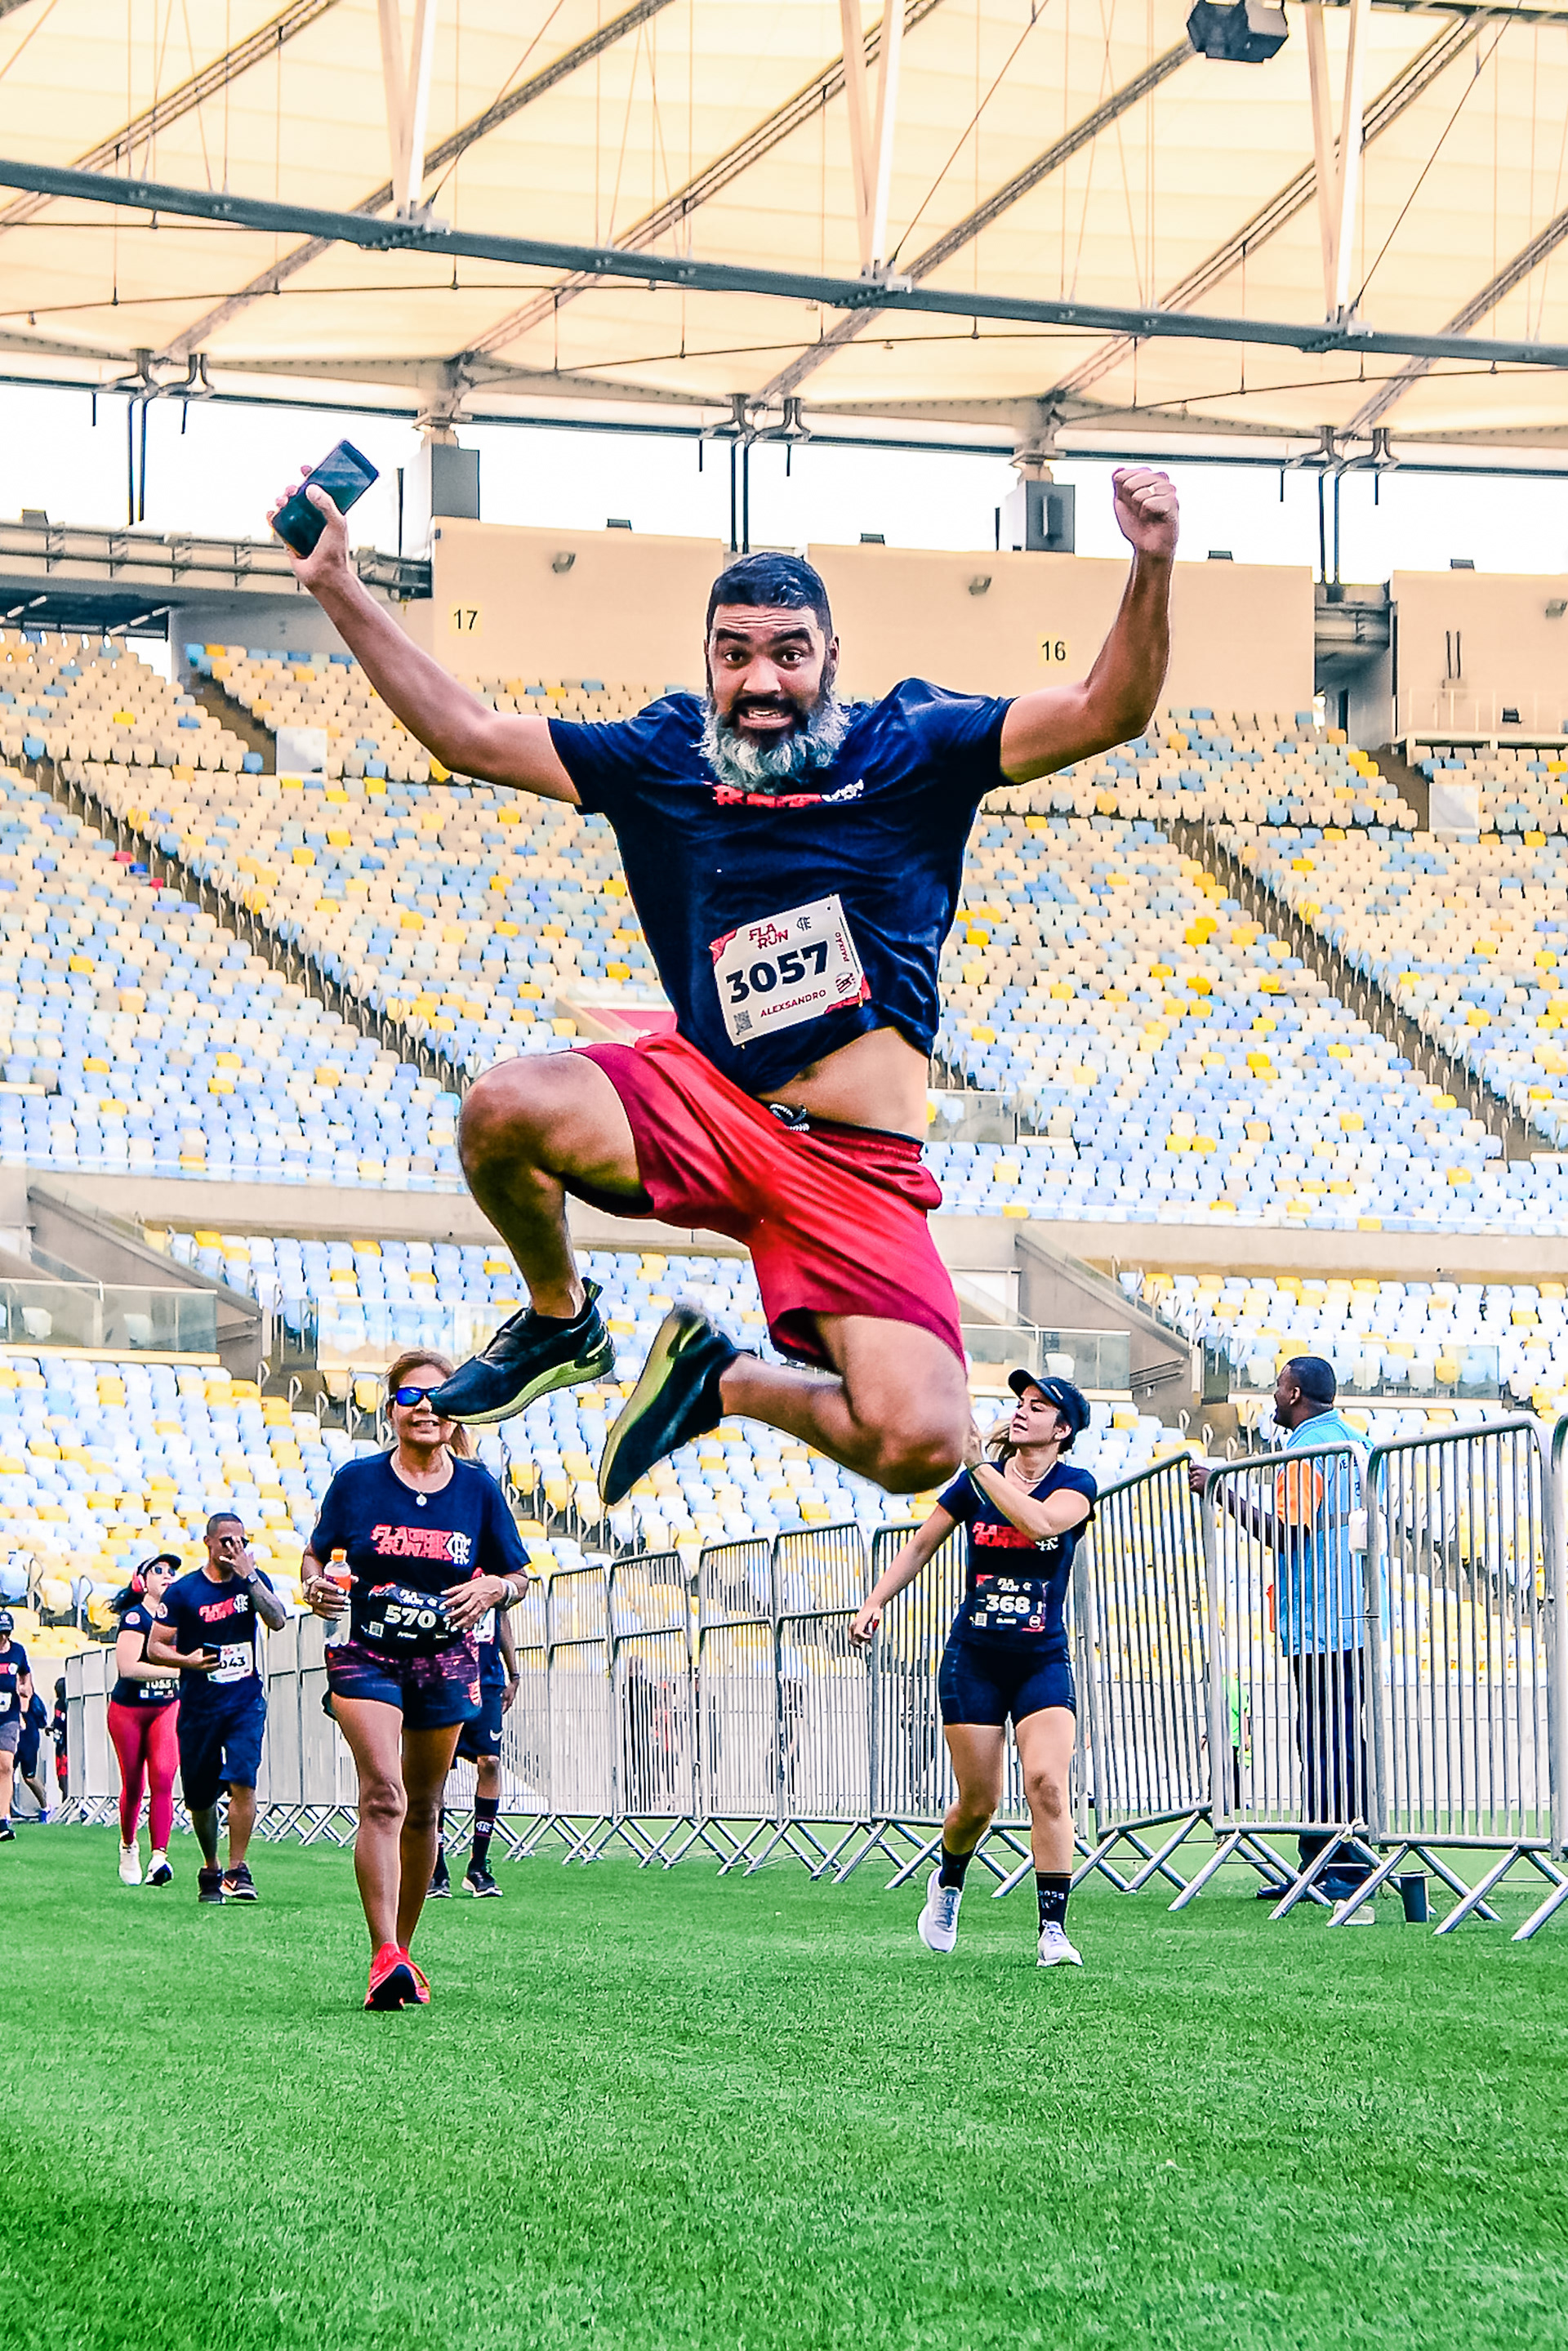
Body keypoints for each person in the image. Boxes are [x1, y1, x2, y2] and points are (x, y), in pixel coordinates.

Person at [273, 469, 1177, 1512]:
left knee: (923, 1439)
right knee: (501, 1108)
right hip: (710, 1107)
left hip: (854, 1167)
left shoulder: (915, 745)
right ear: (706, 661)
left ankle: (723, 1379)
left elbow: (1111, 708)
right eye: (736, 654)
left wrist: (1150, 560)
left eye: (789, 654)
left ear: (831, 658)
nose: (761, 682)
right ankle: (562, 1318)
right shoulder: (662, 757)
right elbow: (470, 736)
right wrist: (338, 582)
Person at [302, 1351, 533, 2009]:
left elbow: (519, 1574)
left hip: (447, 1658)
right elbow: (316, 1551)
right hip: (366, 1651)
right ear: (393, 1408)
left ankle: (398, 1954)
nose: (426, 1408)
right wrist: (314, 1582)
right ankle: (383, 1951)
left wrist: (494, 1586)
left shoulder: (479, 1488)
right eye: (410, 1397)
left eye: (440, 1397)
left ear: (458, 1408)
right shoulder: (357, 1481)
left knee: (425, 1806)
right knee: (384, 1793)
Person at [851, 1372, 1098, 1968]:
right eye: (1019, 1402)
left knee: (1048, 1782)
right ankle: (950, 1883)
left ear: (1062, 1431)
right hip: (974, 1657)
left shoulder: (1077, 1485)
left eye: (1038, 1408)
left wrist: (979, 1464)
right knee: (979, 1802)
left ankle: (1053, 1930)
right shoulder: (974, 1482)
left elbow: (1038, 1523)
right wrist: (875, 1599)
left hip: (1042, 1655)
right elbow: (918, 1547)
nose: (1022, 1412)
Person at [1189, 1356, 1376, 1921]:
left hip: (1320, 1614)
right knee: (1345, 1734)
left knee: (1323, 1738)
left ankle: (1335, 1866)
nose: (1273, 1394)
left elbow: (1287, 1535)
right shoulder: (1362, 1444)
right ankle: (1342, 1857)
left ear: (1294, 1392)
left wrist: (1219, 1489)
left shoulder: (1304, 1451)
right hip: (1361, 1610)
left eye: (1278, 1385)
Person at [149, 1513, 287, 1904]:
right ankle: (210, 1866)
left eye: (240, 1542)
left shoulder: (251, 1582)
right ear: (208, 1543)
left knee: (244, 1777)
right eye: (226, 1542)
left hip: (244, 1699)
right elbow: (155, 1647)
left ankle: (237, 1870)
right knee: (201, 1796)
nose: (233, 1549)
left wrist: (252, 1576)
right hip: (200, 1705)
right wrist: (189, 1662)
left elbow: (277, 1620)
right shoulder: (184, 1592)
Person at [430, 1596, 522, 1899]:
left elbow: (501, 1617)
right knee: (436, 1768)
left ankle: (478, 1866)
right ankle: (435, 1867)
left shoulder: (490, 1570)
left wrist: (514, 1673)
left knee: (491, 1762)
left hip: (487, 1680)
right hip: (443, 1678)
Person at [106, 1553, 183, 1888]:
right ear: (143, 1581)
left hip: (167, 1705)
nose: (168, 1576)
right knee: (134, 1784)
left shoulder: (183, 1618)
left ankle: (159, 1857)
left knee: (164, 1777)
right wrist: (178, 1669)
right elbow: (128, 1667)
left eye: (172, 1572)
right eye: (159, 1571)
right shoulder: (135, 1617)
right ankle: (128, 1845)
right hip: (130, 1710)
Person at [0, 1605, 33, 1841]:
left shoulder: (18, 1651)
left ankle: (3, 1819)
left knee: (6, 1764)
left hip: (8, 1715)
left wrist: (24, 1699)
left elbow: (25, 1676)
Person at [16, 1685, 51, 1821]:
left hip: (28, 1741)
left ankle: (45, 1807)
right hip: (11, 1739)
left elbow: (42, 1721)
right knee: (6, 1774)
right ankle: (4, 1814)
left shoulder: (33, 1698)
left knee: (29, 1778)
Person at [50, 1676, 68, 1813]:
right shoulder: (61, 1705)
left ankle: (67, 1800)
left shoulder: (63, 1705)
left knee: (64, 1774)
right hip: (62, 1744)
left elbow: (61, 1723)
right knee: (62, 1775)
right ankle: (65, 1800)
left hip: (64, 1745)